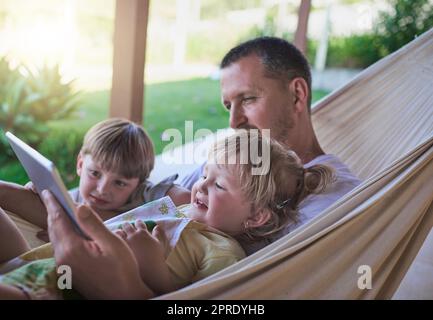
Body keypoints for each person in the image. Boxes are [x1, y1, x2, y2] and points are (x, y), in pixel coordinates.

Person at [0, 130, 335, 299]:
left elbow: (183, 300)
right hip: (39, 260)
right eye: (205, 174)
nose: (201, 186)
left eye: (220, 186)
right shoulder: (183, 210)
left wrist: (152, 266)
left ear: (256, 217)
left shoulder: (223, 253)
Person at [180, 37, 361, 254]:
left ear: (297, 95)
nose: (233, 121)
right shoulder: (230, 165)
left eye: (247, 99)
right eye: (229, 106)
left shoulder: (334, 200)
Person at [0, 118, 190, 240]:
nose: (102, 189)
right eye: (95, 174)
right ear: (80, 164)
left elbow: (186, 200)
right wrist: (39, 194)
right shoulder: (72, 197)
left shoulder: (145, 194)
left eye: (120, 182)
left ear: (139, 183)